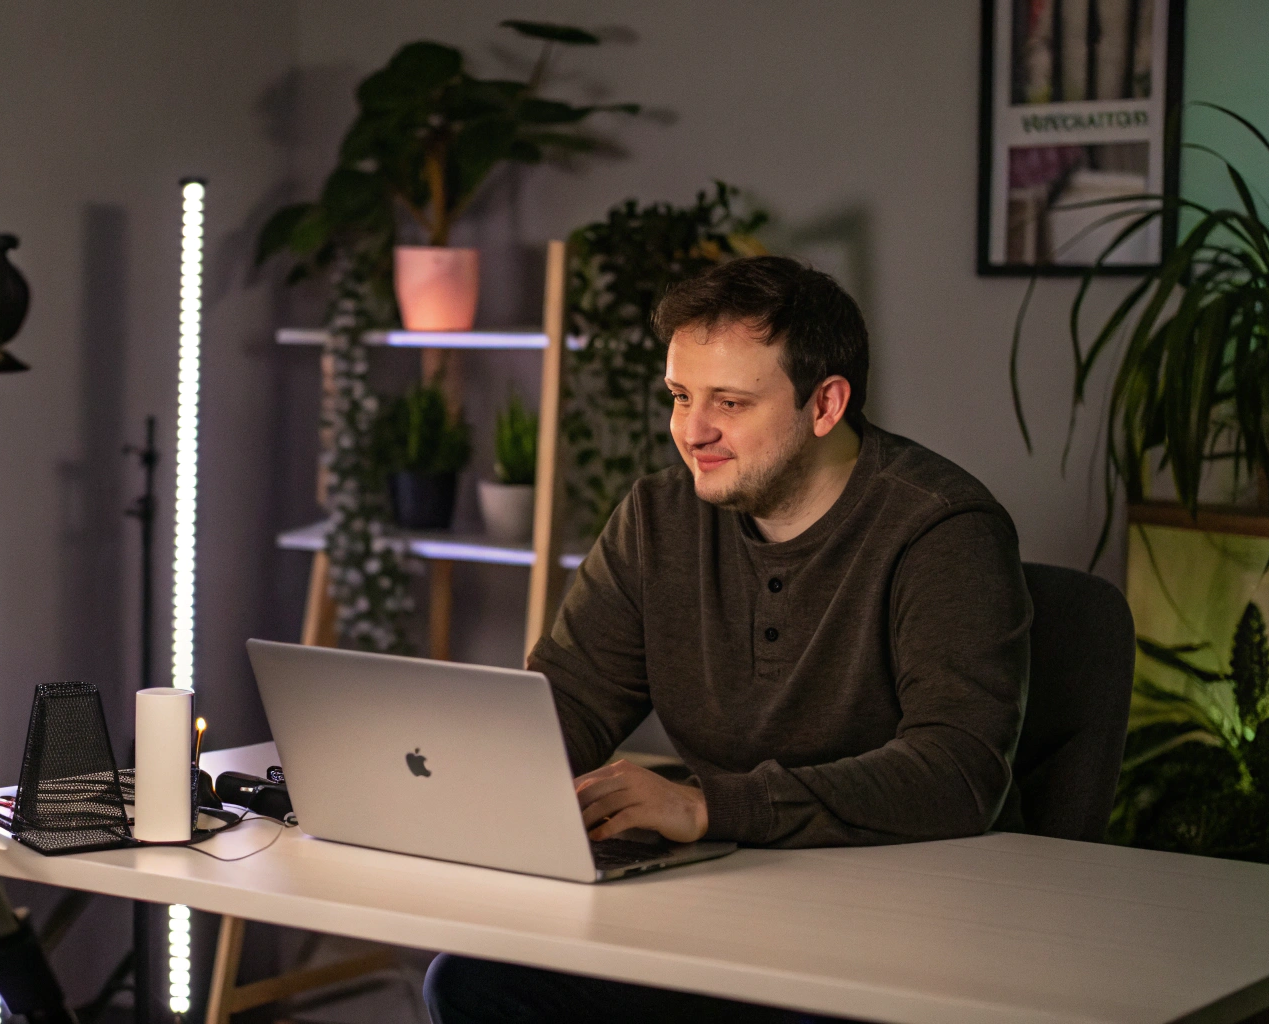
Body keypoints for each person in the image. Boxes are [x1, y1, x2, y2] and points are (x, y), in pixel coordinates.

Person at [424, 255, 1032, 1024]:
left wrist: (711, 807)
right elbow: (571, 700)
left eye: (730, 403)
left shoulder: (941, 529)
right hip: (719, 902)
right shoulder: (658, 520)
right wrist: (445, 775)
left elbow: (957, 774)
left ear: (826, 404)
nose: (692, 431)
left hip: (901, 927)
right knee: (472, 981)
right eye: (680, 397)